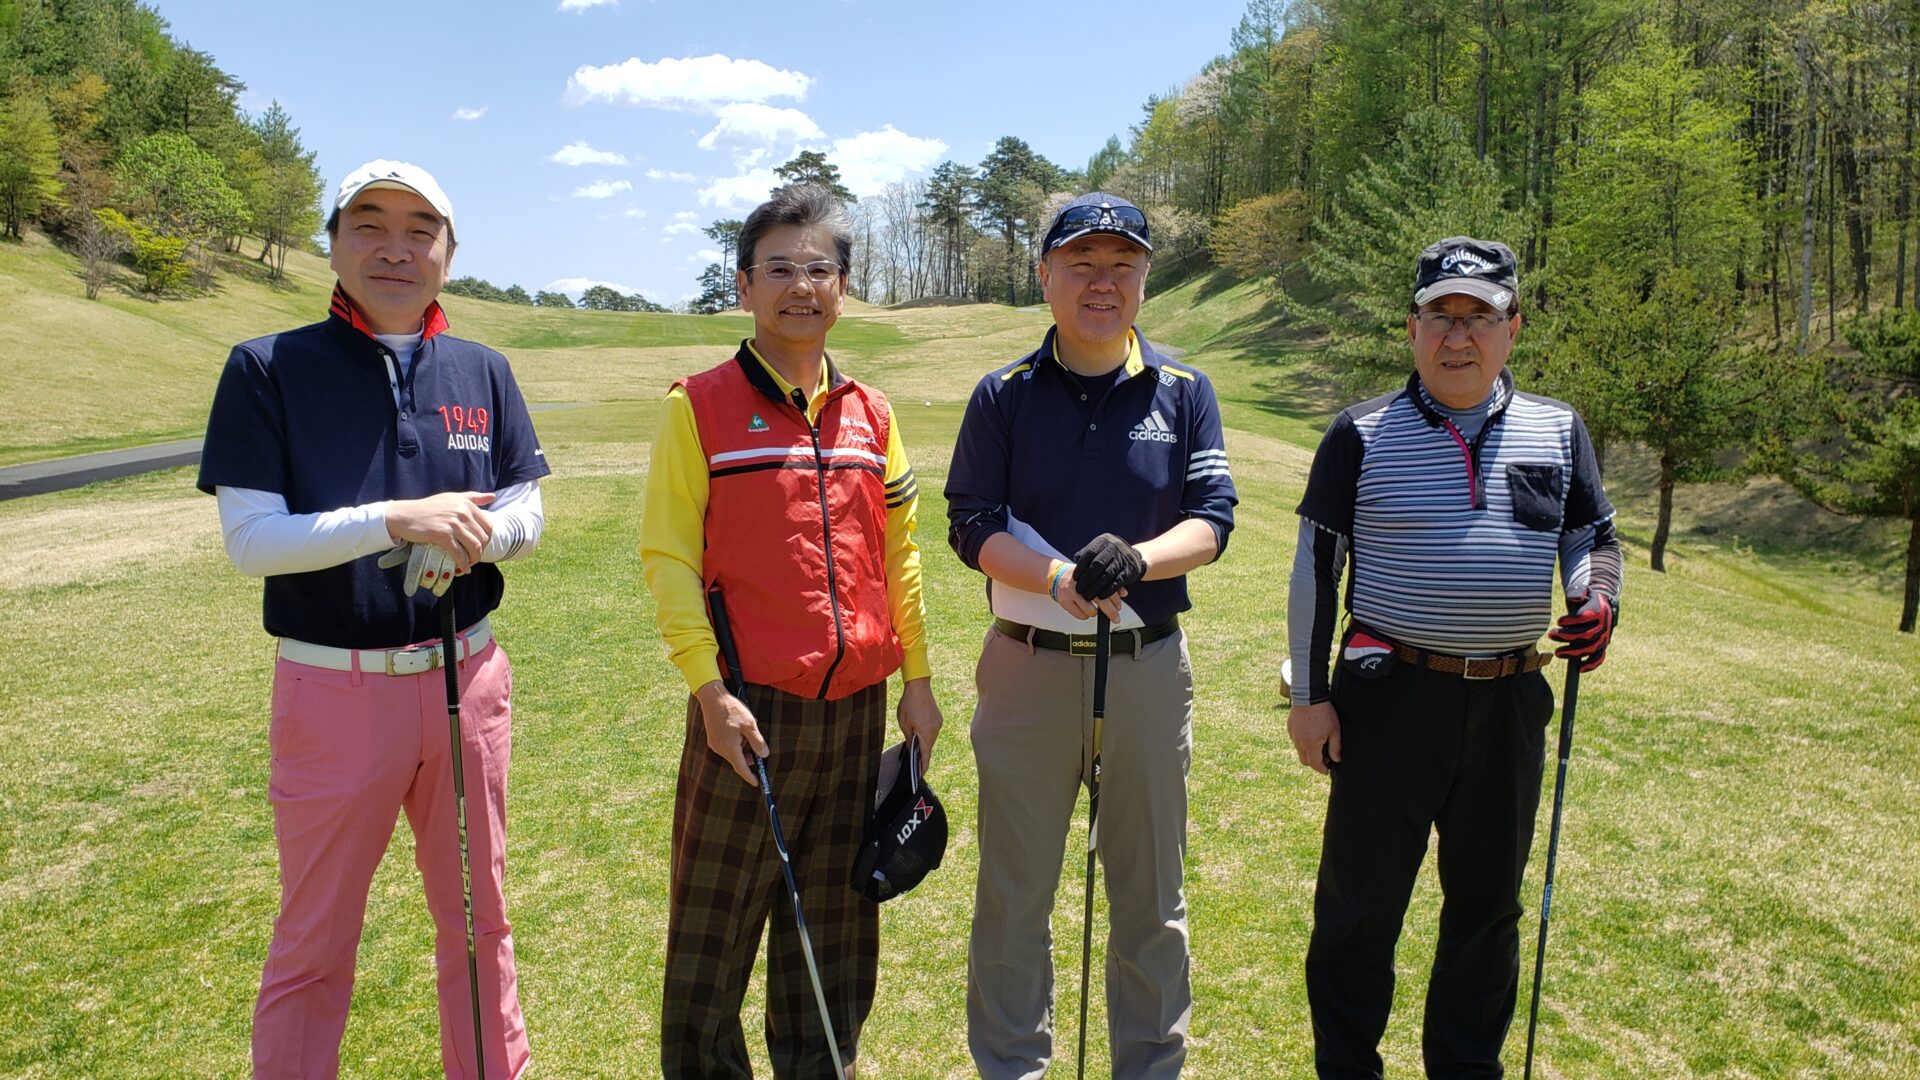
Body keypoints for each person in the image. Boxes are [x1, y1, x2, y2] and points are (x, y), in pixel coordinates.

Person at [198, 160, 547, 1079]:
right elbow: (252, 541)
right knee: (314, 940)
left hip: (467, 682)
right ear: (334, 241)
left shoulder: (484, 368)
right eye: (370, 223)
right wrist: (397, 520)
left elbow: (527, 508)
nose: (396, 247)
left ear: (449, 250)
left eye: (420, 228)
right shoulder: (267, 367)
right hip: (333, 690)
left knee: (481, 925)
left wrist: (480, 534)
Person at [1285, 236, 1621, 1079]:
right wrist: (1310, 695)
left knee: (1486, 916)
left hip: (1508, 704)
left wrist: (1595, 596)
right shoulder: (1358, 434)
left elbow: (1589, 533)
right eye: (1442, 316)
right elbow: (1315, 569)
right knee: (1358, 914)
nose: (1458, 337)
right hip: (1389, 699)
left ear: (1514, 328)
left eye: (1481, 316)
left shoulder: (1559, 427)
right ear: (1412, 327)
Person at [639, 183, 944, 1078]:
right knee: (712, 940)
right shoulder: (695, 407)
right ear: (744, 286)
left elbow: (903, 554)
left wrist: (917, 682)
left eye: (820, 269)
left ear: (844, 288)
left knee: (837, 941)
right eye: (780, 268)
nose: (800, 286)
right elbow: (669, 559)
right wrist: (709, 692)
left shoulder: (874, 417)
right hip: (748, 715)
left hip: (858, 711)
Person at [945, 193, 1238, 1078]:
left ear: (1147, 277)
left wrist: (1138, 560)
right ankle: (1011, 1067)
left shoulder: (1185, 391)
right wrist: (1057, 577)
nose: (1102, 283)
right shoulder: (1004, 394)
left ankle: (1148, 1068)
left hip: (1146, 669)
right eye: (1082, 264)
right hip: (1027, 668)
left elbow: (1213, 519)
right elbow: (970, 522)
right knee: (1014, 895)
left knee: (1150, 897)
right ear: (1045, 277)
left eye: (1122, 265)